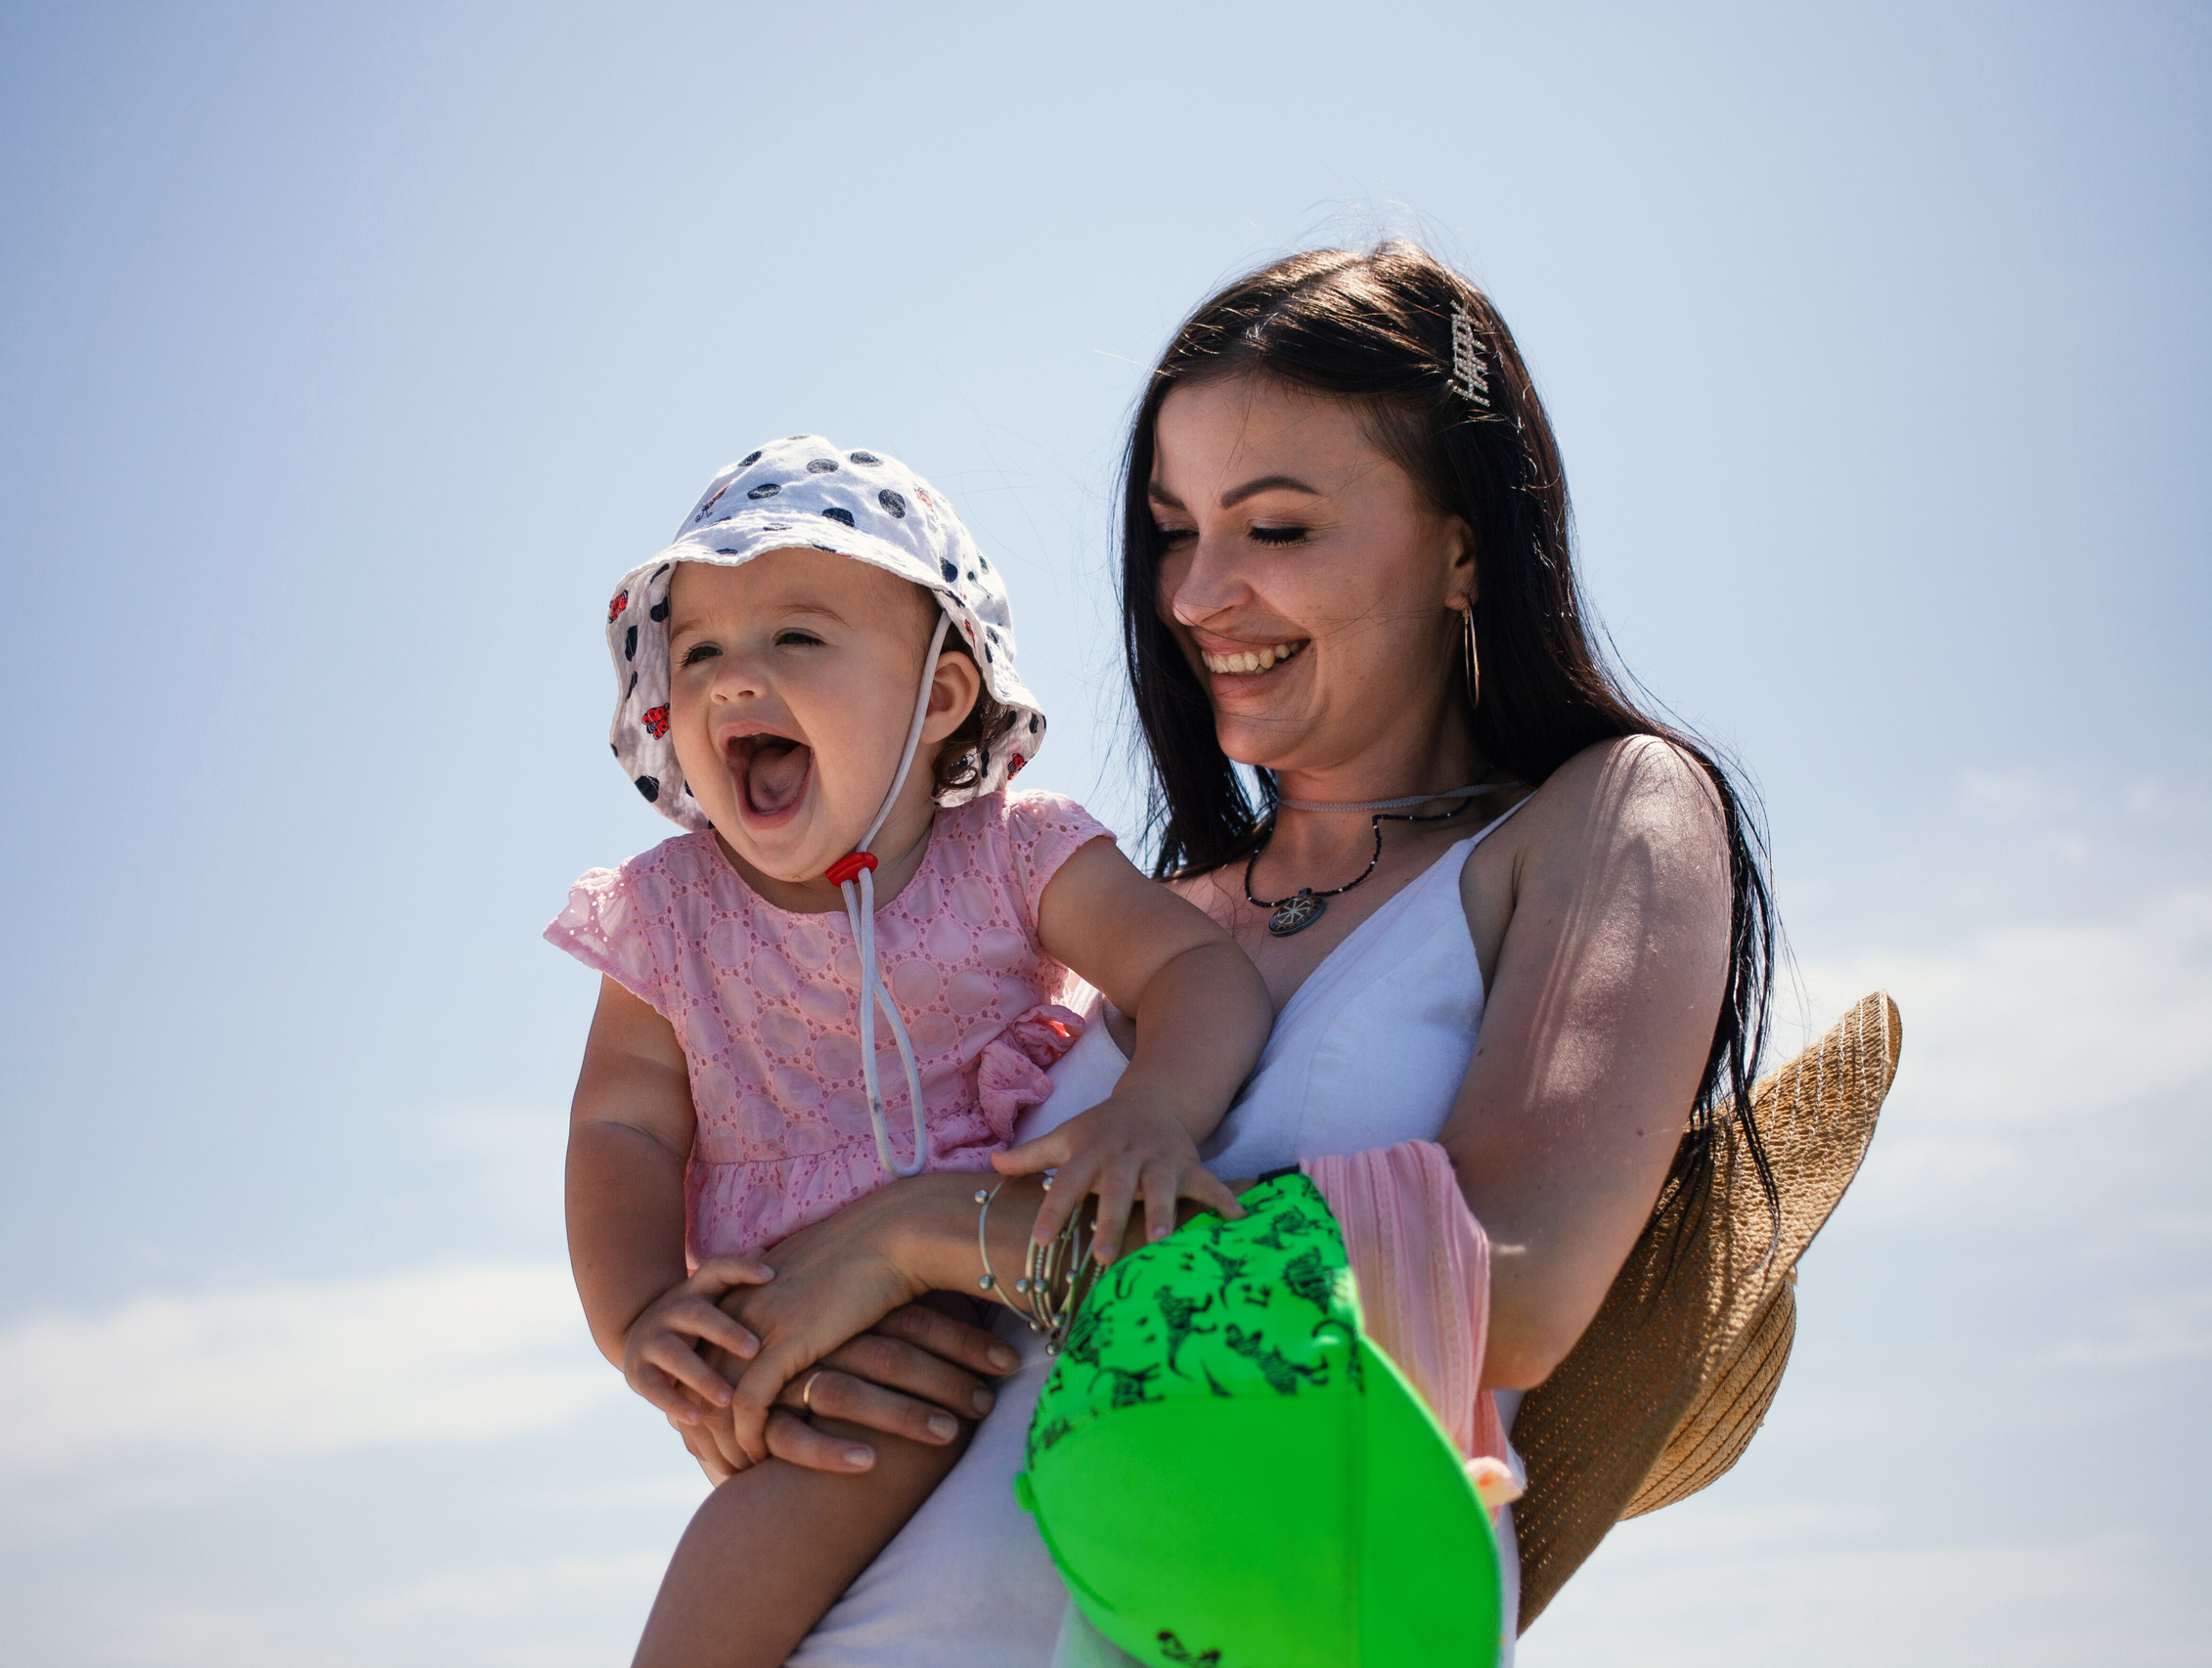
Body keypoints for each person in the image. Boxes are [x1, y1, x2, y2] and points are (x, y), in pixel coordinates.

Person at [664, 243, 1780, 1667]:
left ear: (1464, 543)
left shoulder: (1601, 814)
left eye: (1278, 530)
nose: (1196, 594)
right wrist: (751, 1359)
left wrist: (924, 1232)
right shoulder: (1117, 921)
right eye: (1173, 530)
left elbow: (1512, 1279)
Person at [547, 435, 1273, 1668]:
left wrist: (1157, 1106)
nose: (735, 679)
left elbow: (1198, 969)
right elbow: (619, 1127)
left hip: (1003, 1253)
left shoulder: (1011, 853)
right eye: (704, 648)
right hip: (810, 1326)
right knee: (789, 1513)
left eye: (796, 638)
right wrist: (639, 1320)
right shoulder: (670, 915)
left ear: (939, 698)